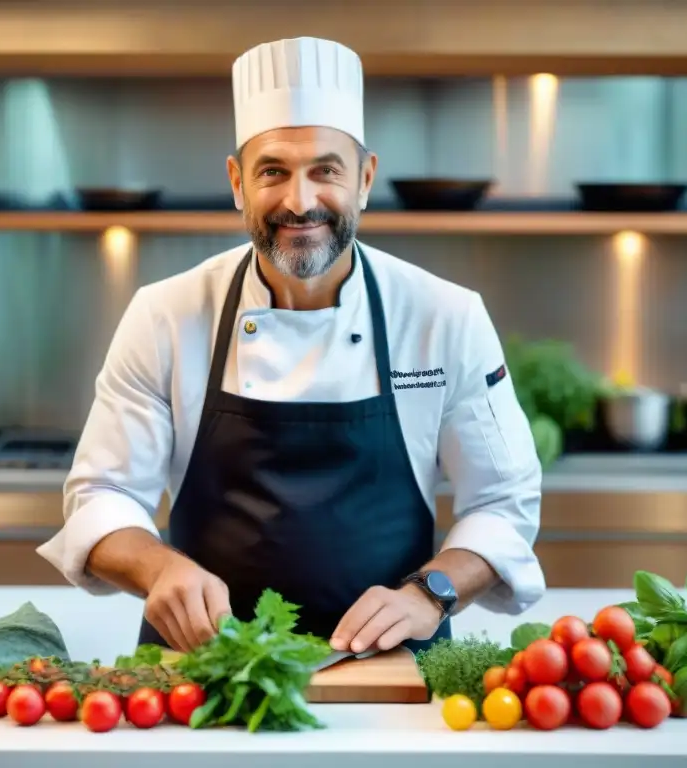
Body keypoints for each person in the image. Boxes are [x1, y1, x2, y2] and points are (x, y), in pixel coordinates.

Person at [37, 36, 544, 656]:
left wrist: (429, 593)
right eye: (272, 171)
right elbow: (101, 495)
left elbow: (503, 501)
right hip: (204, 666)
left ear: (364, 179)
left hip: (395, 672)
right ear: (236, 183)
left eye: (325, 171)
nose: (300, 202)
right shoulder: (165, 314)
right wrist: (158, 569)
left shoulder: (446, 316)